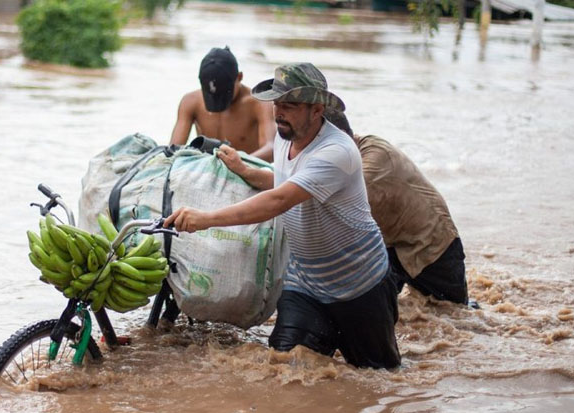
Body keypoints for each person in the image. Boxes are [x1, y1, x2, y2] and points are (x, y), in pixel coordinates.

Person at [165, 63, 400, 369]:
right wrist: (246, 170)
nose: (279, 112)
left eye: (289, 105)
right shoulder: (284, 137)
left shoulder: (336, 152)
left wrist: (206, 219)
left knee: (378, 379)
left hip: (359, 285)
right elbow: (282, 181)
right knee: (284, 367)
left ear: (317, 110)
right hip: (305, 283)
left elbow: (279, 200)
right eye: (277, 103)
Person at [324, 110, 470, 306]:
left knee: (457, 313)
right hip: (392, 249)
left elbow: (328, 201)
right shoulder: (348, 156)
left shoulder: (374, 159)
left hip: (432, 246)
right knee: (395, 315)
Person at [169, 47, 276, 159]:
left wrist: (239, 164)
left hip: (246, 169)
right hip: (206, 169)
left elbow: (271, 148)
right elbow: (174, 150)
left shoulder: (260, 104)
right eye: (212, 96)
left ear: (239, 77)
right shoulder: (191, 101)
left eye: (224, 93)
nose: (217, 99)